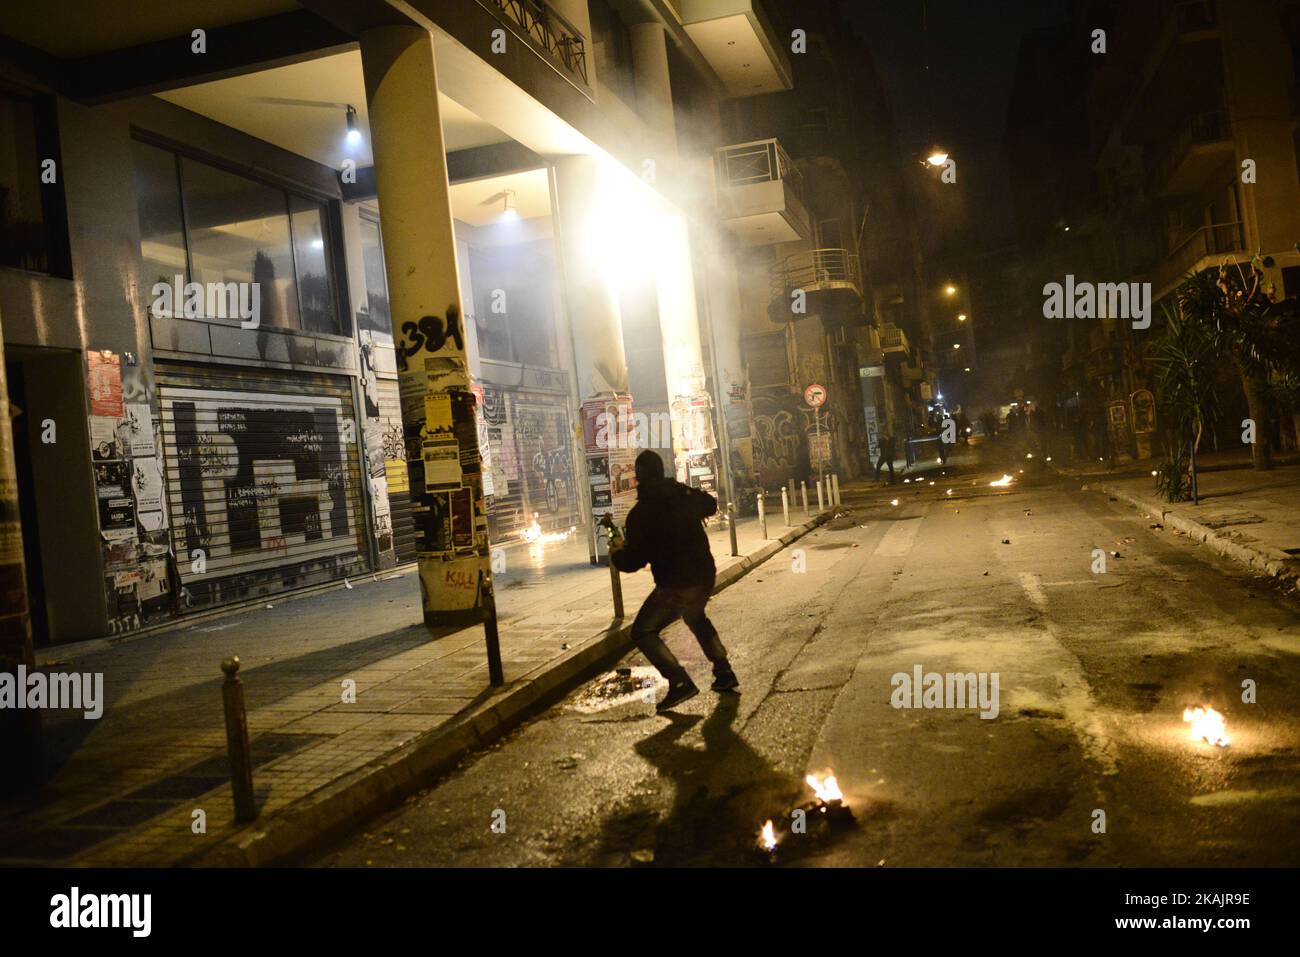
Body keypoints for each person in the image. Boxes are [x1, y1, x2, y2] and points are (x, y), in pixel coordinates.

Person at [610, 450, 739, 713]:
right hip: (704, 574)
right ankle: (723, 671)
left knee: (643, 631)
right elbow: (710, 504)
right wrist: (685, 492)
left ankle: (679, 681)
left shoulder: (641, 513)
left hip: (676, 584)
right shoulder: (680, 494)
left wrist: (616, 552)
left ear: (639, 477)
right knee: (695, 616)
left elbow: (634, 561)